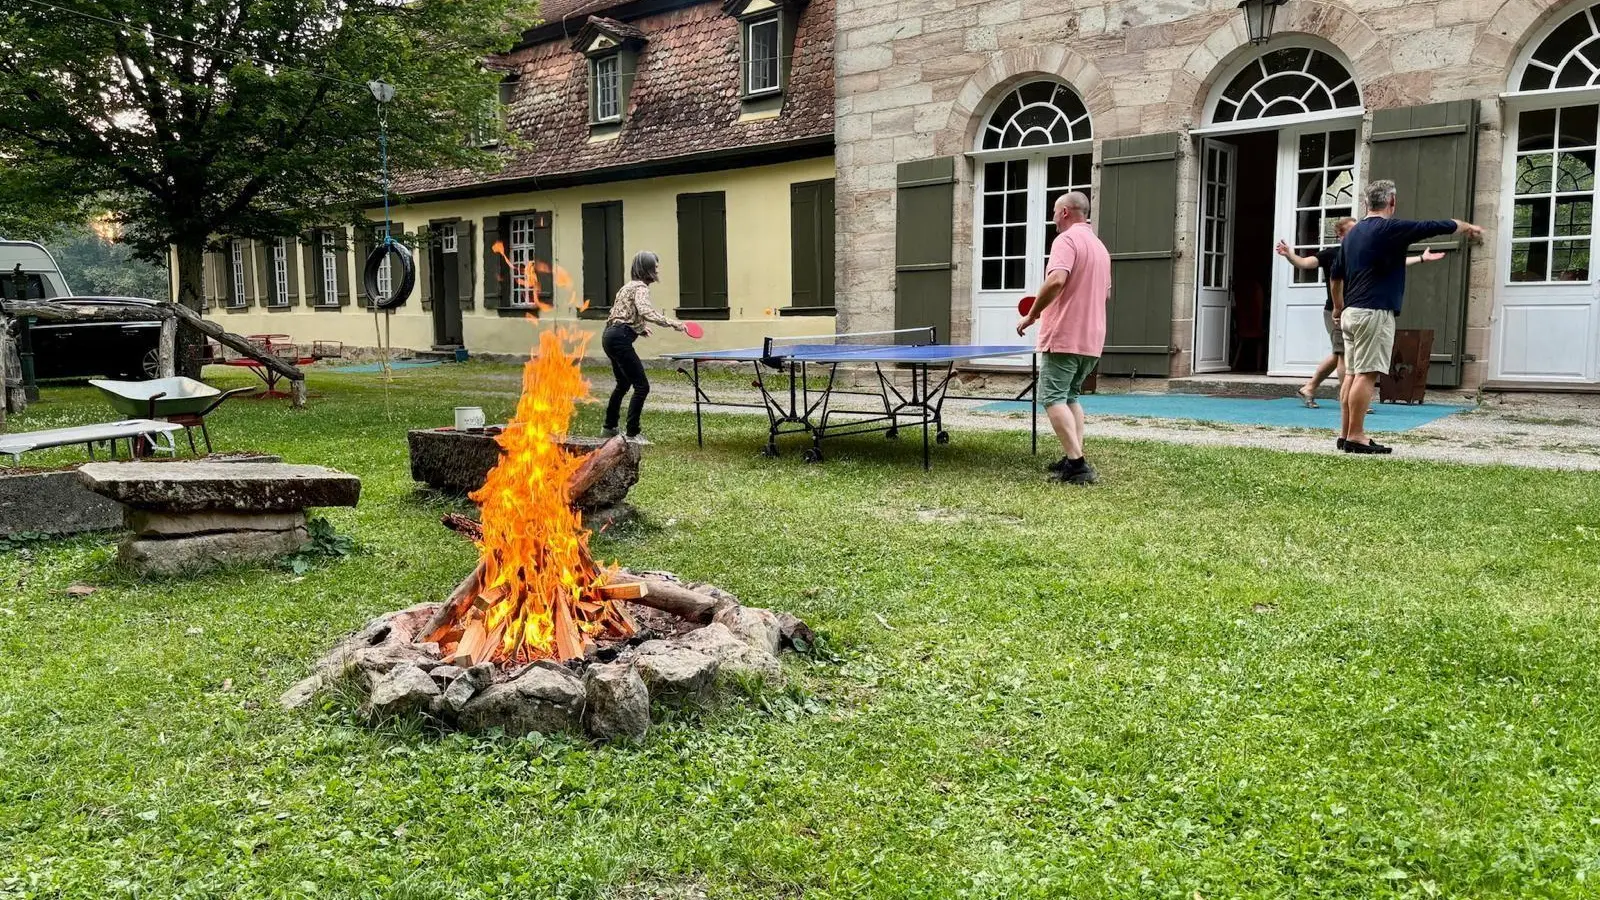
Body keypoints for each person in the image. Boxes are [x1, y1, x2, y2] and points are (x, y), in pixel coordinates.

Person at [1336, 179, 1481, 454]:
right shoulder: (1390, 227)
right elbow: (1436, 226)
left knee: (1352, 375)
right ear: (1392, 202)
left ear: (1366, 204)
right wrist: (1467, 227)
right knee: (1366, 375)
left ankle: (1345, 435)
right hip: (1373, 312)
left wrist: (1337, 307)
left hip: (1351, 312)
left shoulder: (1353, 234)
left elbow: (1336, 273)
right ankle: (1356, 436)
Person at [1276, 221, 1442, 446]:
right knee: (1347, 360)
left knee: (1340, 356)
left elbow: (1396, 264)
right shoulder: (1333, 253)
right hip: (1337, 312)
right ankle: (1351, 408)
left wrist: (1421, 258)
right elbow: (1305, 263)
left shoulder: (1366, 250)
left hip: (1352, 311)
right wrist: (1289, 255)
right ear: (1342, 234)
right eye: (1354, 228)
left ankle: (1312, 389)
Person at [1016, 191, 1111, 485]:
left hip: (1065, 335)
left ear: (1066, 212)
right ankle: (1074, 455)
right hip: (1092, 338)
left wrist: (1032, 315)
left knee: (1051, 397)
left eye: (1055, 211)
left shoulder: (1066, 240)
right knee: (1070, 396)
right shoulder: (1099, 247)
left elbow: (1056, 280)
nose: (1053, 217)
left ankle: (1077, 464)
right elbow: (1105, 293)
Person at [602, 251, 687, 443]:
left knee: (623, 384)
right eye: (656, 266)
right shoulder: (641, 288)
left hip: (608, 336)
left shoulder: (626, 287)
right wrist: (673, 323)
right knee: (642, 386)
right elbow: (645, 310)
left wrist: (640, 329)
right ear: (648, 269)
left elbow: (621, 313)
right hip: (620, 338)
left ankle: (609, 427)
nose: (658, 270)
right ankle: (633, 434)